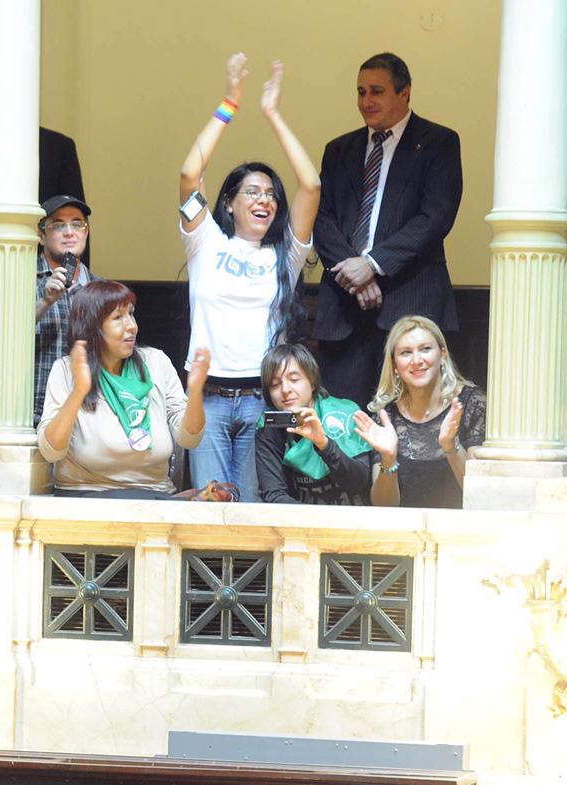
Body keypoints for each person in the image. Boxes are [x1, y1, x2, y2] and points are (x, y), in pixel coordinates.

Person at [178, 53, 320, 501]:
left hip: (263, 401)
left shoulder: (286, 256)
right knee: (208, 509)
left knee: (256, 514)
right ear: (229, 204)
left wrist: (274, 115)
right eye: (252, 192)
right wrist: (229, 104)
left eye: (271, 195)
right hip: (208, 399)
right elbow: (189, 173)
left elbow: (311, 186)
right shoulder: (205, 242)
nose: (266, 200)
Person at [313, 52, 463, 411]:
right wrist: (357, 271)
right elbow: (320, 217)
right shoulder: (339, 150)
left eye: (376, 91)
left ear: (404, 93)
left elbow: (435, 218)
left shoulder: (439, 142)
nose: (366, 101)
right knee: (342, 424)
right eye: (361, 91)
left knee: (409, 420)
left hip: (410, 300)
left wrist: (374, 263)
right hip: (345, 307)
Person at [37, 280, 210, 498]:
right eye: (118, 318)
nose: (132, 326)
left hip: (154, 496)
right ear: (92, 327)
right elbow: (51, 451)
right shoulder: (66, 370)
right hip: (86, 498)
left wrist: (195, 392)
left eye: (131, 314)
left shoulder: (156, 362)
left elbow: (189, 440)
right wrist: (79, 392)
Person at [353, 315, 485, 508]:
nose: (417, 360)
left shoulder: (472, 403)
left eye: (425, 349)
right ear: (395, 365)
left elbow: (480, 494)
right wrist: (388, 459)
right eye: (406, 353)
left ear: (442, 354)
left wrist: (450, 445)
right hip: (404, 533)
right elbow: (384, 507)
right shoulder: (386, 416)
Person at [256, 342, 381, 506]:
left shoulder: (343, 413)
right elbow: (273, 495)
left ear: (312, 381)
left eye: (294, 379)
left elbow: (358, 483)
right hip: (301, 523)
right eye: (275, 384)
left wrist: (324, 444)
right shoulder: (269, 426)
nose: (285, 389)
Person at [34, 195, 97, 425]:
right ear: (41, 235)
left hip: (88, 418)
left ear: (86, 232)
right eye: (58, 225)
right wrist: (45, 301)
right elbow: (3, 336)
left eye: (77, 224)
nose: (69, 232)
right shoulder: (21, 279)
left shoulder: (101, 289)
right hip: (35, 414)